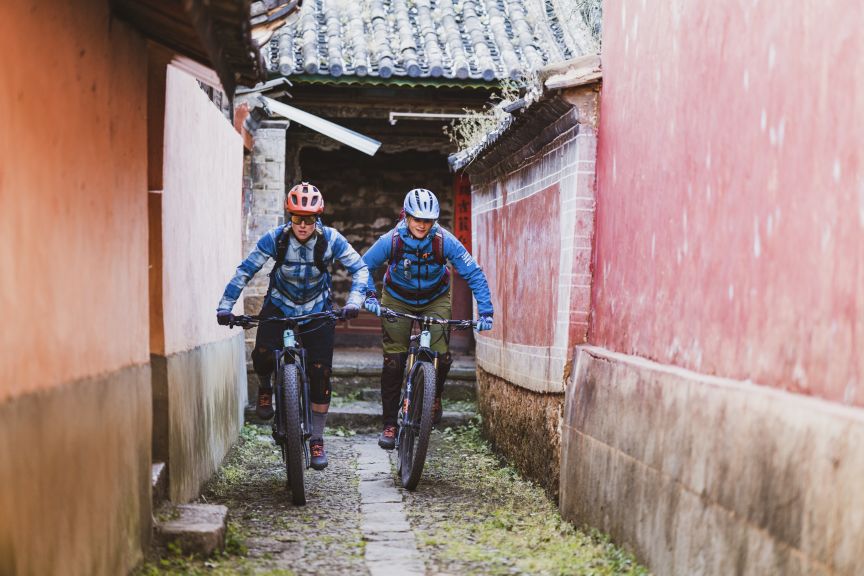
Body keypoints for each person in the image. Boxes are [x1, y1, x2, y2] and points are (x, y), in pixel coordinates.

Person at [216, 182, 368, 470]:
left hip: (317, 308)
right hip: (280, 304)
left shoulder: (331, 239)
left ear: (317, 218)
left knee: (321, 373)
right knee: (261, 353)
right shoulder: (276, 239)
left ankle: (317, 439)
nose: (302, 224)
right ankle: (265, 387)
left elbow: (359, 269)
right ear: (290, 216)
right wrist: (225, 306)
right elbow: (246, 270)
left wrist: (354, 301)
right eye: (297, 217)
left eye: (309, 218)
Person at [362, 188, 493, 450]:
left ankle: (434, 395)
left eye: (428, 220)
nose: (422, 225)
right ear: (406, 216)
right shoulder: (393, 239)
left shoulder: (445, 241)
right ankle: (389, 423)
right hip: (397, 298)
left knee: (441, 356)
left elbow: (474, 273)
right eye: (416, 218)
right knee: (393, 362)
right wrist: (369, 295)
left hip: (435, 298)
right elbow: (364, 266)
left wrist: (486, 311)